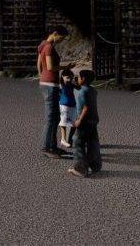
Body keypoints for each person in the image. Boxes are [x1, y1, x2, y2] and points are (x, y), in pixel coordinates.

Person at [37, 25, 74, 158]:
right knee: (51, 118)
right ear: (55, 33)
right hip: (50, 84)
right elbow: (51, 67)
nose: (61, 40)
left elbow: (39, 64)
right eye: (61, 38)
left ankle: (53, 146)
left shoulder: (42, 45)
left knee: (55, 117)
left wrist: (41, 77)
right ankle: (47, 147)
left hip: (47, 83)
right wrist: (66, 66)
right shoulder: (48, 47)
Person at [68, 70, 102, 178]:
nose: (77, 79)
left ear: (83, 79)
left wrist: (79, 121)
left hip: (85, 121)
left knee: (77, 142)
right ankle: (95, 165)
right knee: (93, 143)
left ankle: (80, 169)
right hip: (93, 120)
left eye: (78, 77)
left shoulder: (83, 92)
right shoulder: (93, 90)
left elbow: (85, 108)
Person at [58, 68, 77, 148]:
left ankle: (70, 138)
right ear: (62, 76)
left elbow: (79, 87)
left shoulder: (71, 85)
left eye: (71, 78)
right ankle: (63, 139)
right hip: (64, 106)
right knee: (63, 122)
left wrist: (75, 81)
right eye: (67, 78)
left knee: (74, 123)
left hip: (73, 105)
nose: (69, 80)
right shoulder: (61, 85)